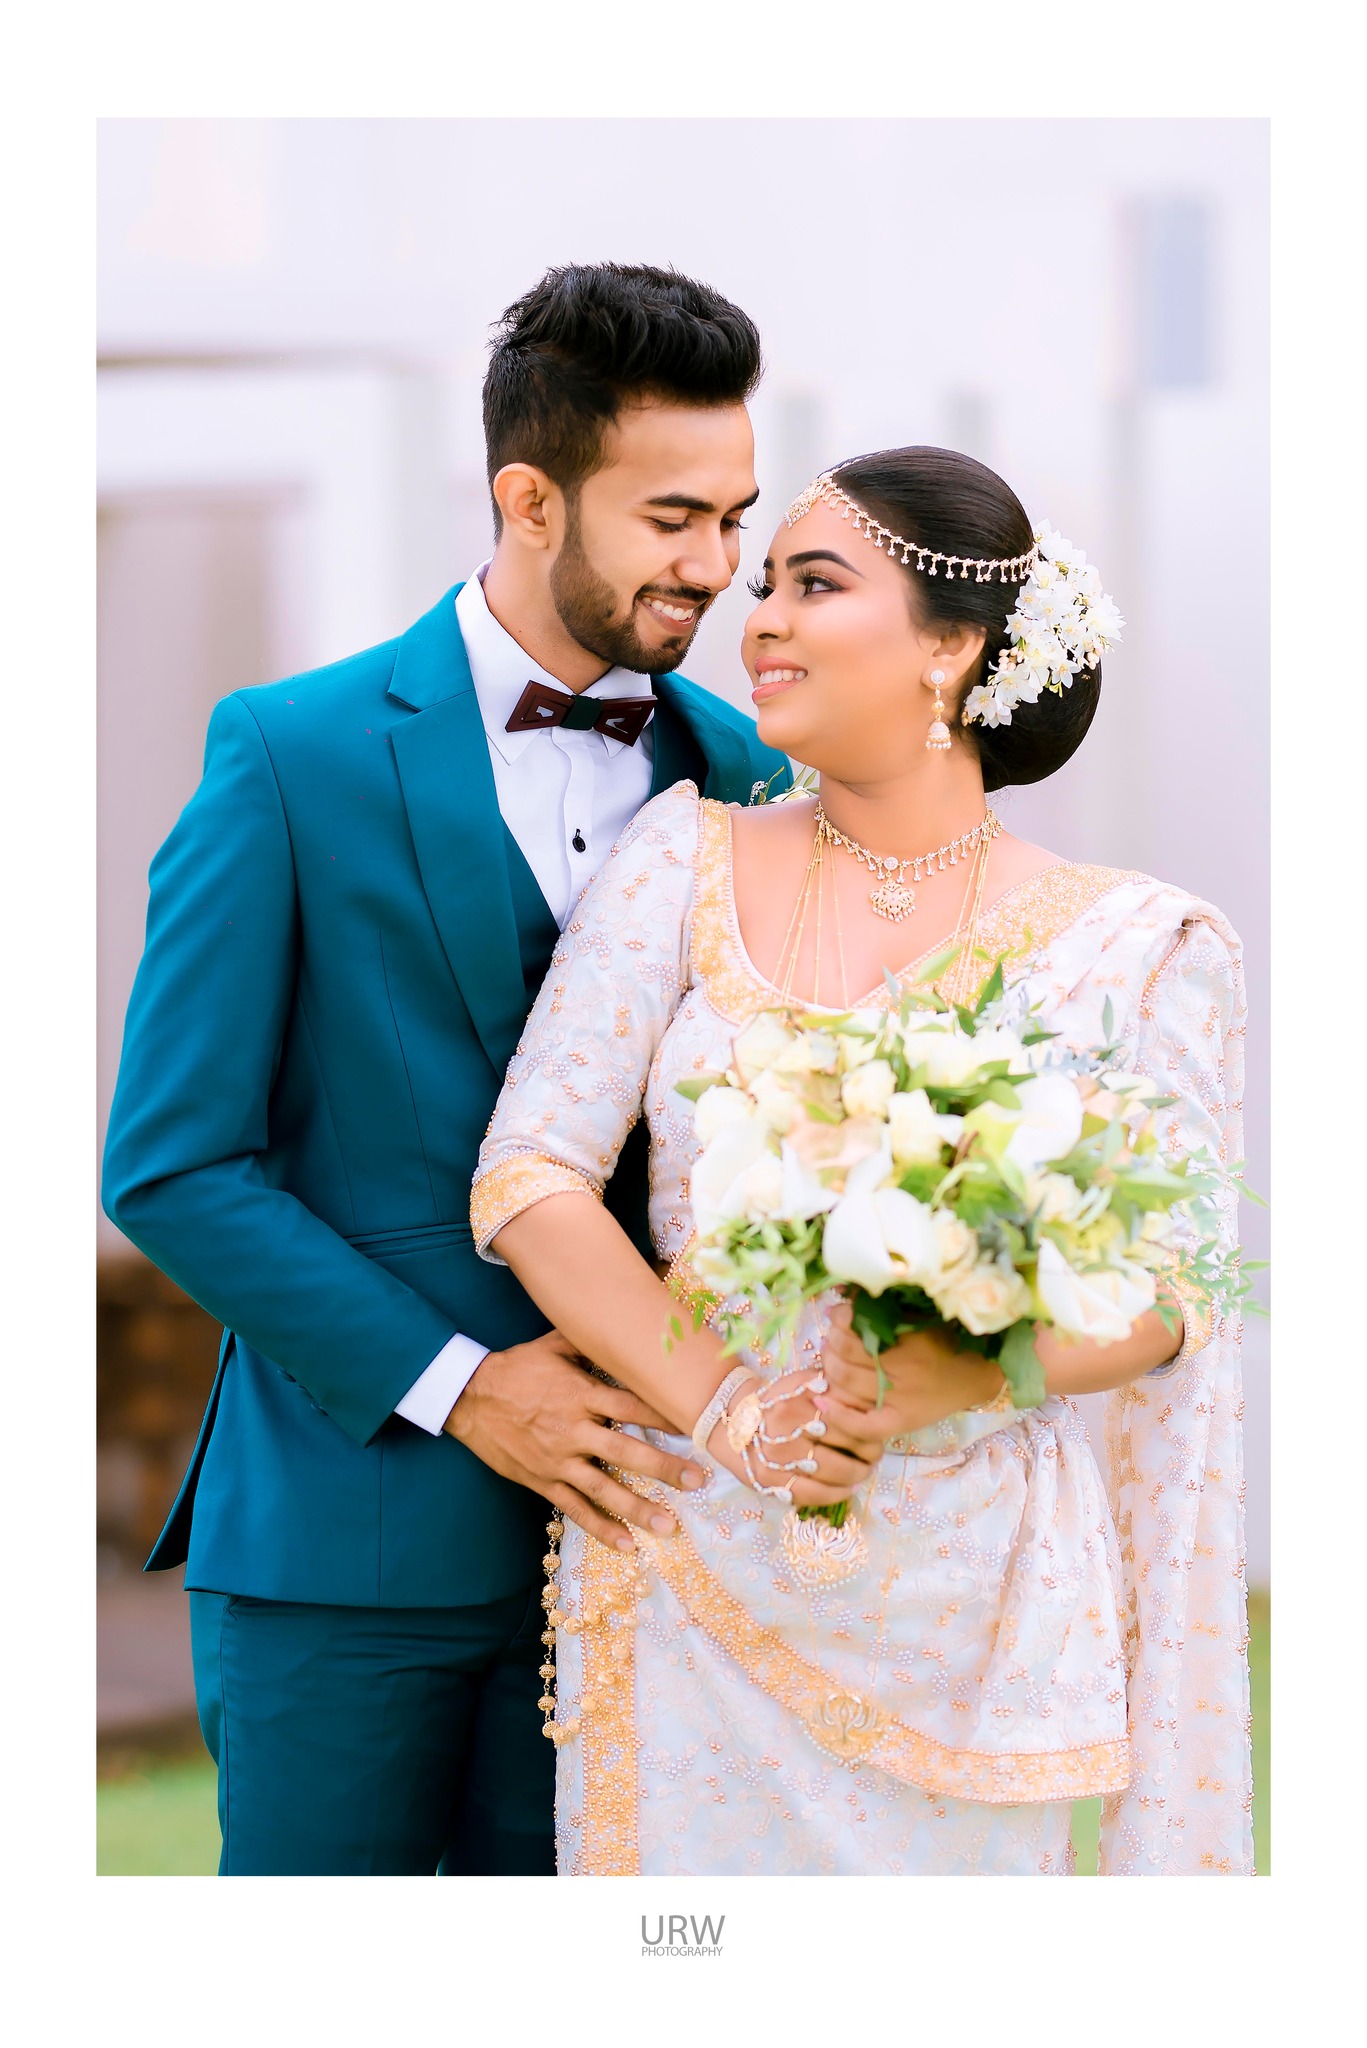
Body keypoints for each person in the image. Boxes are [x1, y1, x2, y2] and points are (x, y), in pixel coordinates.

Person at [100, 262, 796, 1876]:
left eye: (733, 519)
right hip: (346, 1547)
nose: (714, 567)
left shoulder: (749, 771)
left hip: (646, 1544)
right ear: (529, 499)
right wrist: (466, 1388)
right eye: (672, 518)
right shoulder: (290, 753)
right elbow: (173, 1166)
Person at [473, 445, 1252, 1876]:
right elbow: (530, 1176)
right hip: (695, 1559)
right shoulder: (681, 861)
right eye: (765, 585)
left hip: (983, 1607)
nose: (759, 617)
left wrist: (968, 1373)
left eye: (814, 586)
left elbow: (1175, 1292)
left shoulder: (1136, 946)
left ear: (952, 648)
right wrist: (731, 1415)